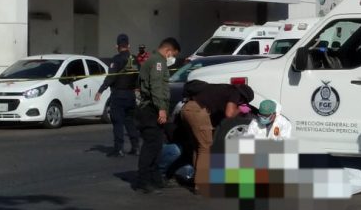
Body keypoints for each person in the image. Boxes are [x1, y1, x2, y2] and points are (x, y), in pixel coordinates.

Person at [180, 82, 254, 188]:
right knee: (206, 148)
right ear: (243, 97)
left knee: (198, 147)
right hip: (197, 111)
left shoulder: (224, 88)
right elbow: (229, 114)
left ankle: (196, 178)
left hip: (186, 109)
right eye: (243, 102)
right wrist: (240, 109)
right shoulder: (235, 93)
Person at [134, 37, 181, 194]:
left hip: (153, 108)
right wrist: (161, 108)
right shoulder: (158, 62)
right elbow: (156, 86)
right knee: (150, 146)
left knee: (157, 146)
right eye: (173, 54)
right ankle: (143, 181)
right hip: (151, 110)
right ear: (168, 51)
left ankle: (156, 179)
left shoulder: (155, 60)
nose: (172, 58)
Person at [95, 33, 140, 157]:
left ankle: (118, 149)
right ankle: (135, 147)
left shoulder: (117, 59)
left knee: (117, 122)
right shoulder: (135, 59)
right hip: (131, 95)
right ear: (129, 45)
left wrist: (100, 90)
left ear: (117, 46)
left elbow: (111, 77)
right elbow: (139, 77)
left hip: (119, 95)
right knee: (130, 122)